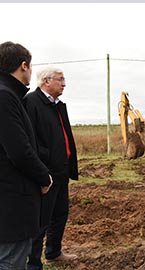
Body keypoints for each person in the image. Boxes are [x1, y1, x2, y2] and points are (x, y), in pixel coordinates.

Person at [0, 41, 53, 269]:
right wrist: (44, 177)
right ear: (24, 66)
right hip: (12, 205)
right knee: (10, 262)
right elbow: (19, 150)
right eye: (30, 67)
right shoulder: (5, 97)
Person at [24, 66, 78, 269]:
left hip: (61, 171)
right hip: (45, 173)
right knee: (41, 221)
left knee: (60, 214)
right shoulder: (31, 102)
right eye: (60, 79)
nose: (64, 83)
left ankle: (54, 252)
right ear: (46, 81)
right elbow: (30, 141)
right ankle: (34, 263)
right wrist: (41, 171)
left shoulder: (57, 104)